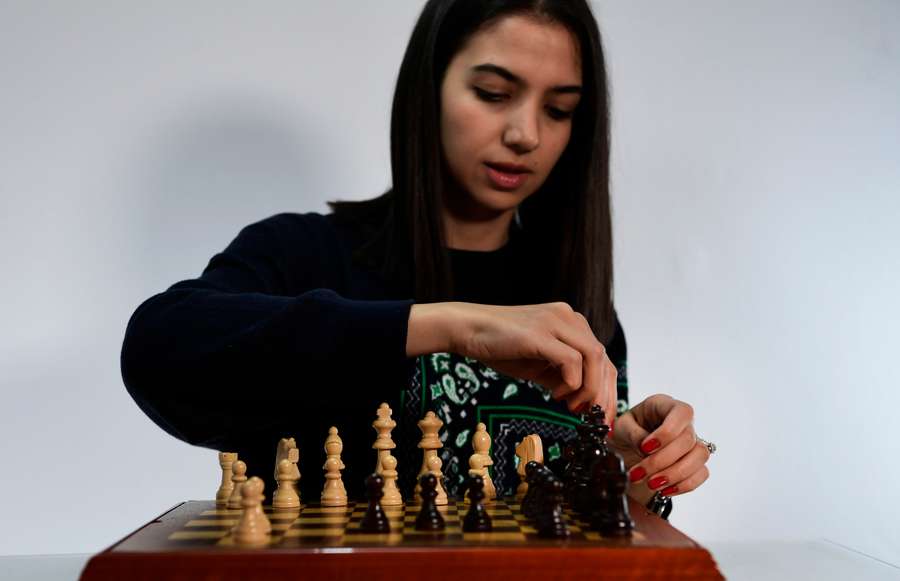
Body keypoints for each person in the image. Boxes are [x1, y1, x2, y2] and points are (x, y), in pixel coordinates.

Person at [121, 0, 712, 513]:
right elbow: (159, 349)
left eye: (559, 109)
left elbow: (576, 535)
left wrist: (630, 474)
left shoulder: (574, 302)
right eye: (493, 94)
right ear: (428, 88)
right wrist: (453, 326)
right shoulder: (304, 253)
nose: (526, 134)